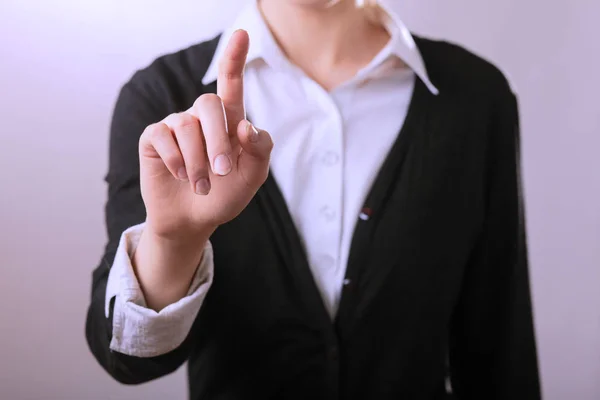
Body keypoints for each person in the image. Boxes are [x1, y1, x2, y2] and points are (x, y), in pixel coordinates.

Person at [85, 0, 541, 398]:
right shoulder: (162, 99)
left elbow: (499, 350)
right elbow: (128, 358)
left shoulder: (475, 98)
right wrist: (175, 239)